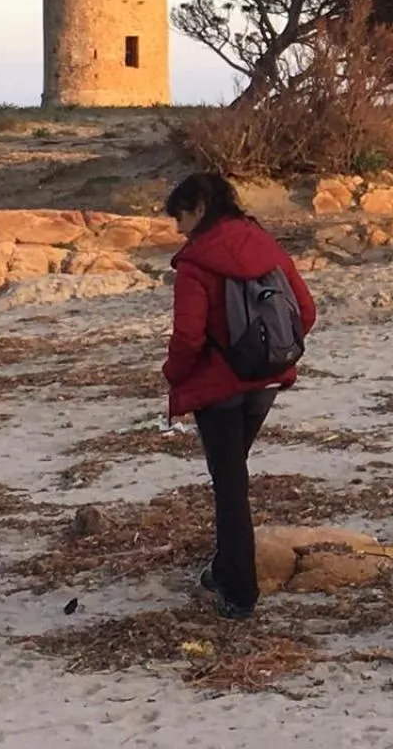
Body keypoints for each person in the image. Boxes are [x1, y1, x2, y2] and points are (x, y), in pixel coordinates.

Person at [162, 172, 316, 620]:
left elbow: (188, 337)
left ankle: (239, 590)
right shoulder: (265, 245)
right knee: (232, 477)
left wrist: (173, 376)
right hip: (265, 380)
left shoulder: (196, 263)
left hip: (221, 387)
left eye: (180, 216)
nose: (178, 228)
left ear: (200, 207)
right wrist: (270, 351)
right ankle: (222, 568)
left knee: (230, 486)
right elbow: (305, 310)